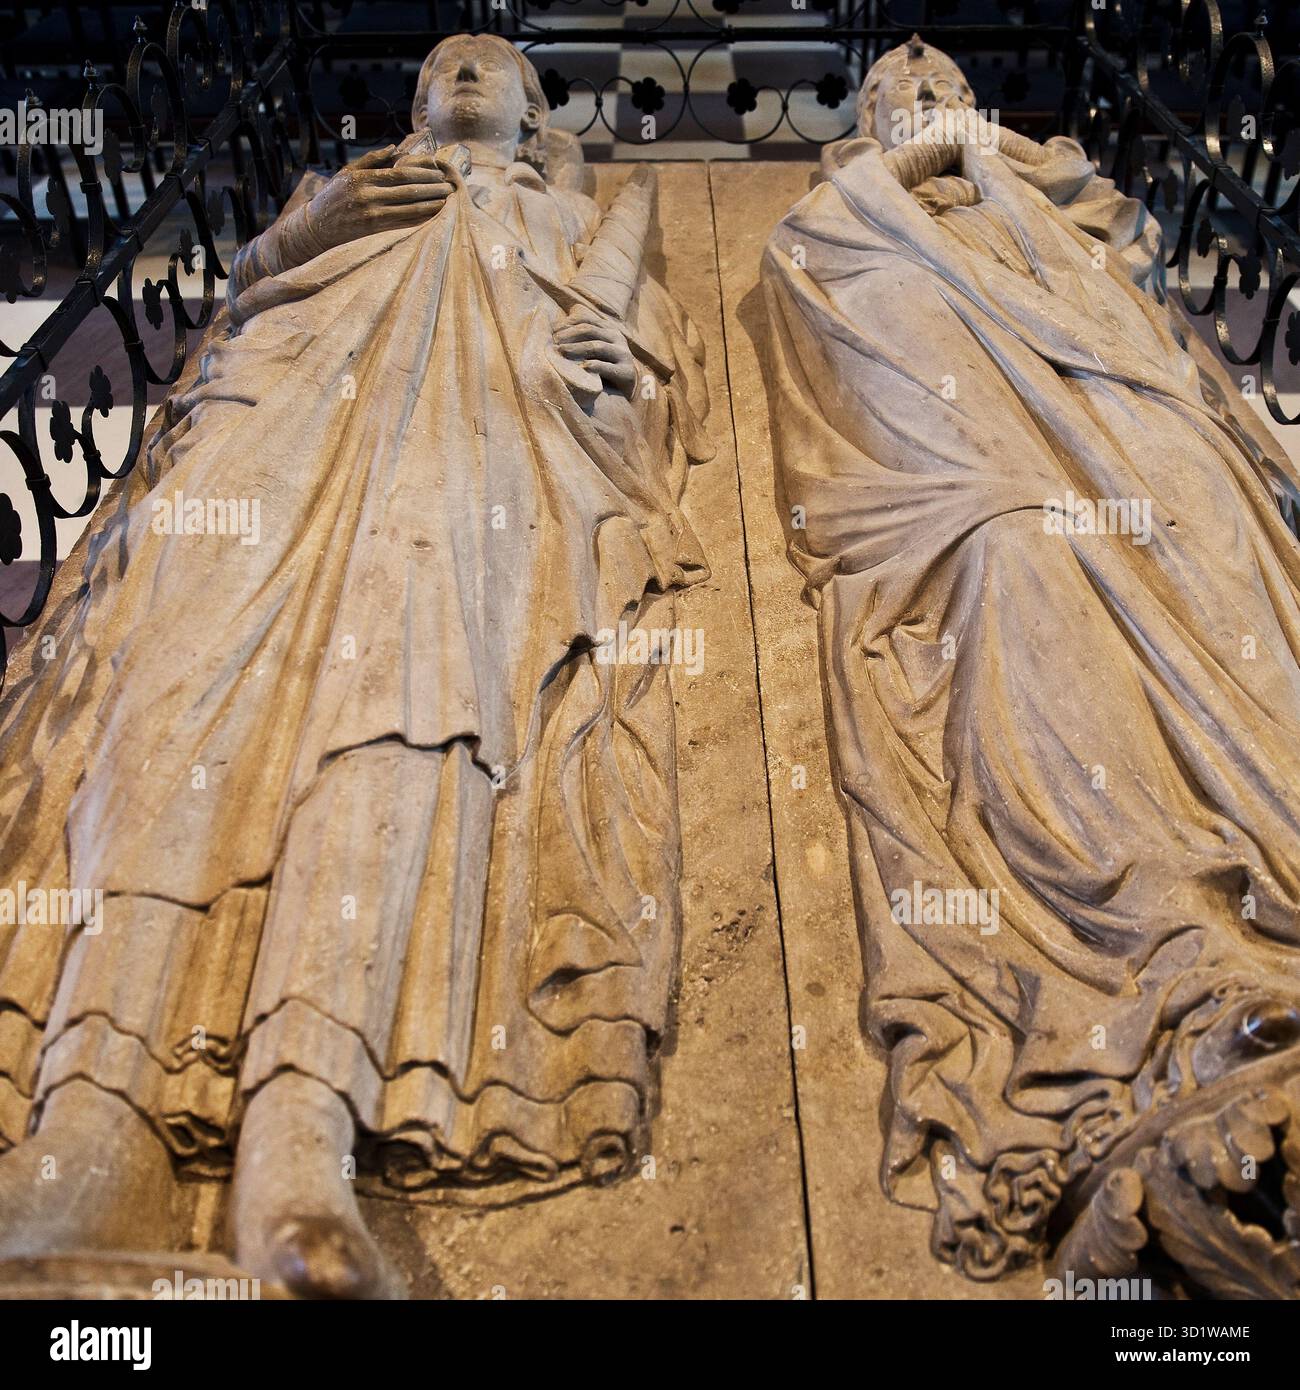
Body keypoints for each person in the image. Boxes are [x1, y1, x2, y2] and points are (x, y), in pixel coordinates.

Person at [0, 33, 710, 1297]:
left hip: (478, 434)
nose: (470, 69)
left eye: (498, 61)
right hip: (273, 423)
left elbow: (640, 366)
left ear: (540, 105)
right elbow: (240, 306)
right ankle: (84, 1139)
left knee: (402, 710)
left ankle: (300, 1142)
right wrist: (294, 238)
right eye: (446, 60)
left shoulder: (571, 215)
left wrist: (620, 375)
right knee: (172, 701)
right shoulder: (342, 193)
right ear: (416, 98)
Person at [763, 36, 1300, 1286]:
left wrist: (1003, 177)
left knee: (1220, 547)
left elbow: (1138, 308)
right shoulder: (834, 229)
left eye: (949, 88)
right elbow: (872, 408)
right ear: (861, 124)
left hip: (1140, 437)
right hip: (976, 486)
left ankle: (1270, 872)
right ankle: (1158, 922)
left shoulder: (1055, 214)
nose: (930, 101)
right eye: (900, 94)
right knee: (1011, 563)